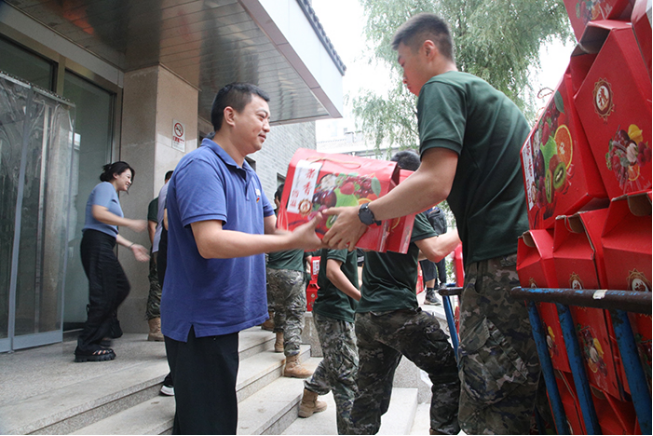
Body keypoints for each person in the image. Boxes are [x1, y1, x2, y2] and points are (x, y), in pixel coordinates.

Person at [323, 13, 539, 435]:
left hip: (495, 264)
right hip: (520, 256)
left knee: (488, 399)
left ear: (429, 50)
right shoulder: (490, 97)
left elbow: (435, 181)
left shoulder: (441, 87)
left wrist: (364, 212)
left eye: (403, 63)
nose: (403, 77)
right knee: (520, 393)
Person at [160, 83, 322, 435]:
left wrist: (322, 231)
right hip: (198, 321)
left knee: (214, 418)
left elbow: (277, 231)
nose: (267, 126)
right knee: (207, 424)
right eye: (261, 116)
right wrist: (294, 237)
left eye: (269, 119)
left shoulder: (249, 173)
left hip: (222, 319)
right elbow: (210, 241)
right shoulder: (201, 166)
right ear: (230, 116)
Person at [349, 151, 461, 436]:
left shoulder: (374, 208)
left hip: (367, 316)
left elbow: (406, 252)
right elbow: (434, 251)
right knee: (448, 373)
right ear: (413, 177)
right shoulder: (408, 208)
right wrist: (467, 228)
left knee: (369, 393)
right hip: (398, 314)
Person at [75, 161, 150, 362]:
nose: (129, 182)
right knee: (103, 293)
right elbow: (98, 214)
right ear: (115, 174)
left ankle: (100, 335)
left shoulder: (111, 194)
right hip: (96, 243)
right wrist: (131, 223)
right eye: (127, 176)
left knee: (119, 287)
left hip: (103, 242)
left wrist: (132, 245)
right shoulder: (105, 187)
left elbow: (109, 229)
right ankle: (87, 345)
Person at [298, 248, 360, 435]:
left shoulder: (345, 231)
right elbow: (332, 271)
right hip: (335, 310)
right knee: (346, 376)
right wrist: (361, 298)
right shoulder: (343, 231)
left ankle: (310, 396)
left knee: (338, 357)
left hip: (337, 309)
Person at [267, 184, 314, 378]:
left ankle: (279, 341)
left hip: (271, 272)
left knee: (280, 306)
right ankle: (292, 361)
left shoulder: (270, 219)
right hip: (292, 272)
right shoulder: (300, 219)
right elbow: (309, 249)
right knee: (294, 314)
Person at [145, 170, 173, 342]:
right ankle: (155, 327)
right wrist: (157, 248)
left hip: (165, 247)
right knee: (157, 286)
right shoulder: (158, 200)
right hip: (162, 247)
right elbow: (152, 226)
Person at [421, 205, 448, 305]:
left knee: (437, 249)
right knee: (427, 252)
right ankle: (431, 290)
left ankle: (440, 284)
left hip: (432, 214)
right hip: (424, 214)